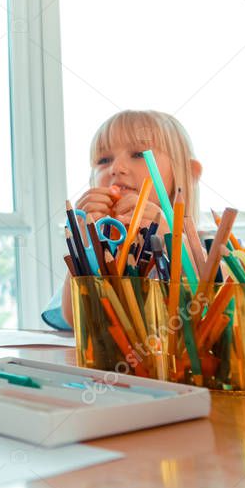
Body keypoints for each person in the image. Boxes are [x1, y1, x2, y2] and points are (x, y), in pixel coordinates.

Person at [44, 110, 202, 329]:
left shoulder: (204, 250)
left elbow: (208, 309)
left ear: (188, 172)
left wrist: (172, 239)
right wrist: (84, 244)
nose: (116, 168)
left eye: (138, 154)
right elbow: (76, 321)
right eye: (104, 160)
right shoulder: (104, 250)